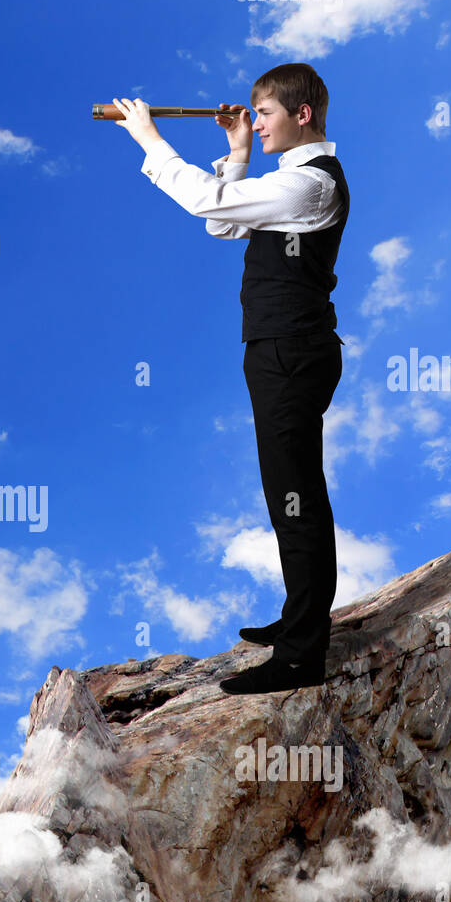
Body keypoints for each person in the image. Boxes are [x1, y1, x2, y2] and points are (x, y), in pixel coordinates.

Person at [112, 63, 348, 695]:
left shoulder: (309, 185)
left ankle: (302, 656)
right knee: (288, 492)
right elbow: (225, 223)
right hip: (280, 350)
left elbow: (203, 202)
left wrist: (151, 140)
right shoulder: (285, 182)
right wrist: (237, 152)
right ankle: (301, 618)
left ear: (302, 115)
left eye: (264, 115)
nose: (258, 123)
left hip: (292, 353)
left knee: (294, 495)